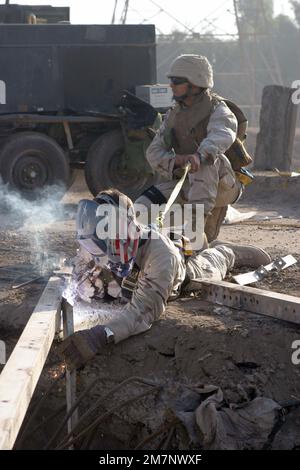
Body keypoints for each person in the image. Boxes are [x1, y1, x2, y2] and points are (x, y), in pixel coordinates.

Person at [58, 189, 271, 371]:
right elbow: (79, 268)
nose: (98, 254)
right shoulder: (101, 239)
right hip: (142, 264)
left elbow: (142, 311)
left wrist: (100, 335)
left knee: (212, 265)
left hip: (184, 272)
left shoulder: (161, 257)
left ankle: (225, 250)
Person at [135, 54, 243, 246]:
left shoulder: (218, 110)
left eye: (177, 81)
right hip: (186, 185)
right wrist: (178, 160)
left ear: (195, 84)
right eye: (171, 81)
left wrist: (199, 156)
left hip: (221, 186)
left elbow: (221, 135)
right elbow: (153, 152)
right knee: (140, 210)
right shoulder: (173, 115)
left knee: (206, 162)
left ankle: (194, 232)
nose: (171, 86)